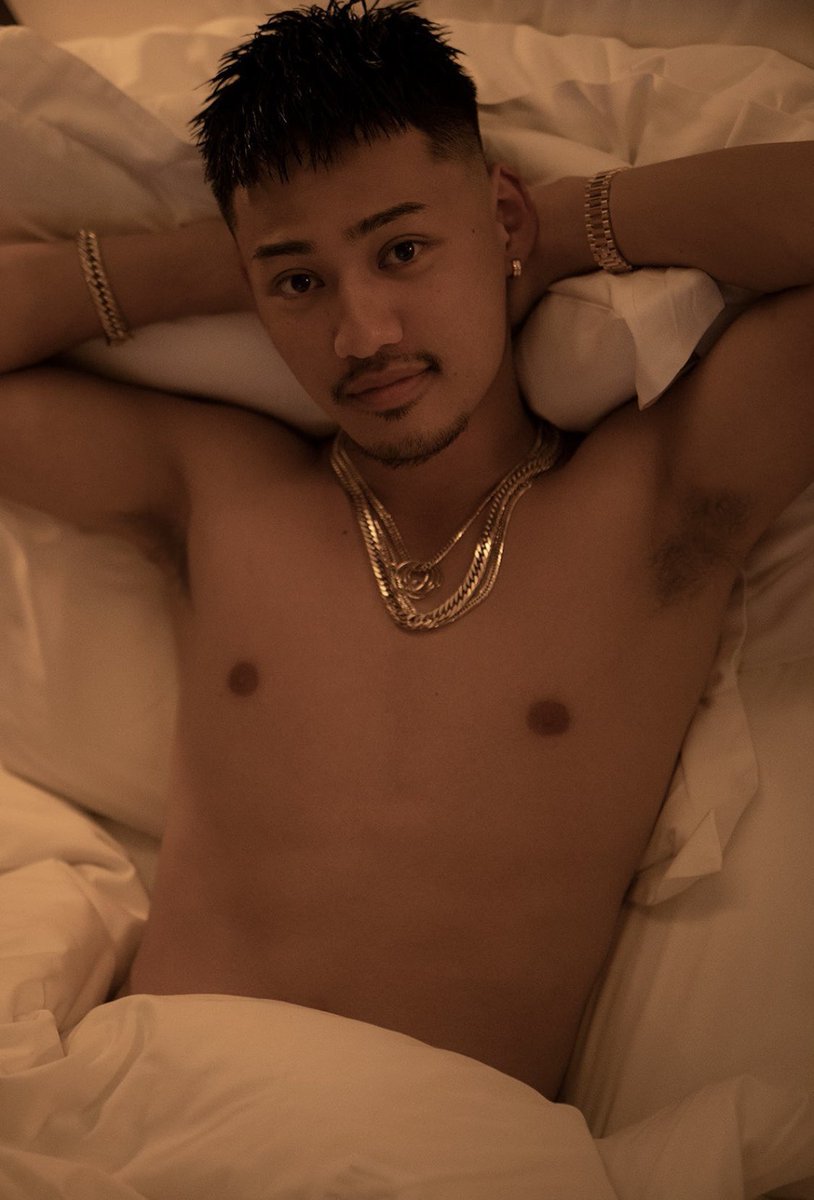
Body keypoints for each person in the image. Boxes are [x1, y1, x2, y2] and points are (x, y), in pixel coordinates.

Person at [0, 0, 812, 1101]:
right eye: (302, 285)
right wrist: (218, 269)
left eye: (404, 250)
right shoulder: (221, 492)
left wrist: (556, 227)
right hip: (142, 1115)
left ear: (499, 216)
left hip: (432, 1150)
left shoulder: (652, 507)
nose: (364, 334)